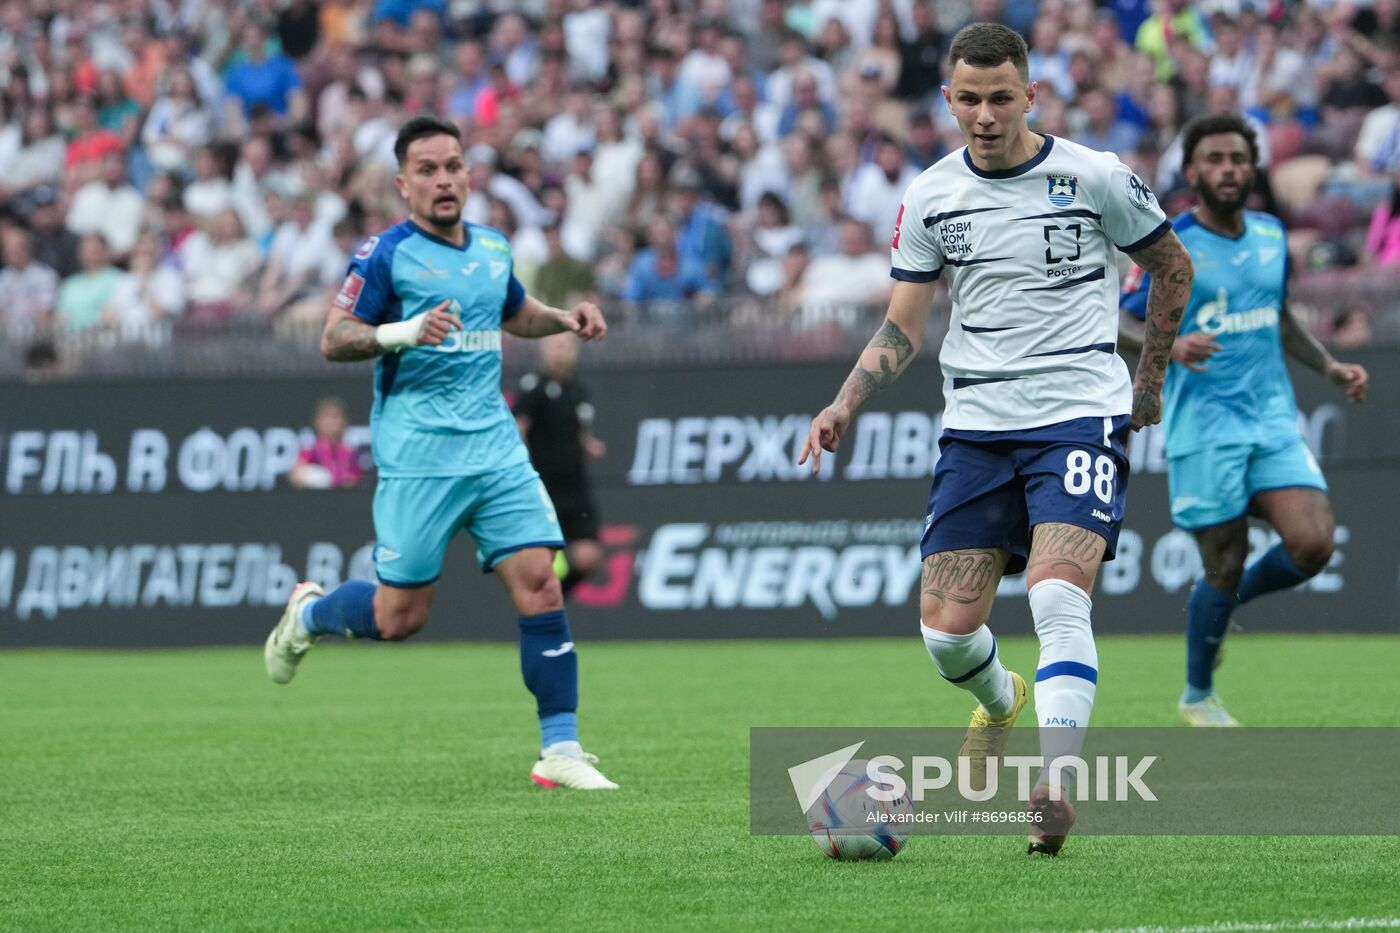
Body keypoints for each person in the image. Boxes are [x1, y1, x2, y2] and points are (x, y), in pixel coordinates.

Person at [799, 23, 1193, 857]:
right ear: (948, 100)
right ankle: (1001, 694)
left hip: (1078, 412)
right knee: (945, 633)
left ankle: (1054, 784)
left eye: (1001, 98)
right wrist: (844, 401)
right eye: (969, 100)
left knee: (1056, 592)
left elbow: (1171, 265)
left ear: (1031, 95)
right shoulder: (933, 196)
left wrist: (1148, 380)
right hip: (976, 426)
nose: (985, 115)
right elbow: (902, 326)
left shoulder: (1092, 177)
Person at [263, 116, 618, 791]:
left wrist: (566, 318)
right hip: (419, 453)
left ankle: (560, 746)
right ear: (404, 185)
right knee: (401, 618)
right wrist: (403, 331)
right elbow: (334, 337)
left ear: (469, 173)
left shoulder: (491, 247)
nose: (444, 178)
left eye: (453, 165)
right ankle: (308, 613)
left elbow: (515, 311)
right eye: (427, 169)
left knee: (541, 577)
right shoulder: (385, 254)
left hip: (493, 448)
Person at [1118, 112, 1369, 727]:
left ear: (1252, 167)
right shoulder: (1168, 246)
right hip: (1203, 430)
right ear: (1192, 171)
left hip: (1272, 422)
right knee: (1223, 563)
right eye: (1215, 160)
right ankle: (1198, 694)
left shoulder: (1270, 234)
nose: (1228, 169)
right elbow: (1116, 318)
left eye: (1237, 159)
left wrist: (1330, 366)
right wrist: (1168, 346)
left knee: (1312, 542)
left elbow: (1278, 316)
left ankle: (1220, 609)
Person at [513, 333, 606, 597]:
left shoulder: (579, 390)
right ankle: (541, 604)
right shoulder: (534, 387)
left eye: (566, 346)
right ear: (544, 350)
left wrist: (589, 445)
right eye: (555, 346)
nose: (561, 352)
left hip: (575, 486)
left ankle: (551, 599)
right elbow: (520, 429)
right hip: (544, 486)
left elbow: (581, 433)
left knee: (589, 557)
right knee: (541, 563)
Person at [289, 396, 369, 489]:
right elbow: (295, 475)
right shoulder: (311, 451)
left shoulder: (354, 454)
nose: (331, 423)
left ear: (345, 421)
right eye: (326, 417)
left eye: (336, 417)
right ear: (317, 422)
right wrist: (313, 478)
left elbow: (362, 478)